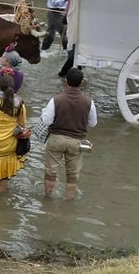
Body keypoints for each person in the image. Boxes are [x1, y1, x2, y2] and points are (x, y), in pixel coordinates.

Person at [40, 68, 97, 199]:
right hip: (76, 142)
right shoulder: (89, 102)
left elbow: (47, 121)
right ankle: (68, 200)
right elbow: (93, 123)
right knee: (72, 175)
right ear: (81, 82)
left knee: (51, 171)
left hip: (56, 140)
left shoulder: (56, 100)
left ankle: (48, 198)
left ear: (66, 81)